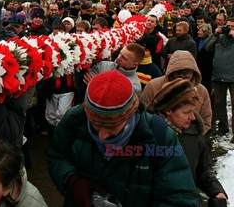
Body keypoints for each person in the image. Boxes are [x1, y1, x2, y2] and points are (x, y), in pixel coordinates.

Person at [47, 70, 198, 207]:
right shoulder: (74, 121)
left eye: (112, 127)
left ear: (130, 115)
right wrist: (72, 181)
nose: (102, 136)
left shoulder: (159, 137)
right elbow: (57, 155)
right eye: (94, 125)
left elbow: (180, 197)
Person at [150, 79, 228, 206]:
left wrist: (217, 191)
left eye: (193, 111)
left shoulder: (194, 133)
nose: (192, 117)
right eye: (187, 112)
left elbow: (203, 170)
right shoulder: (150, 136)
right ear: (168, 110)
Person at [141, 50, 212, 133]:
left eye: (187, 75)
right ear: (171, 72)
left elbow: (206, 120)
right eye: (178, 75)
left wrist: (194, 139)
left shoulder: (201, 91)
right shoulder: (153, 86)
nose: (182, 79)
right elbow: (143, 114)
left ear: (194, 73)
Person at [208, 17, 234, 139]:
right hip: (218, 76)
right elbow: (206, 48)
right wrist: (215, 34)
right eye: (228, 26)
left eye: (232, 27)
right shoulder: (219, 37)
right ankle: (223, 127)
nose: (229, 29)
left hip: (233, 77)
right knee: (219, 104)